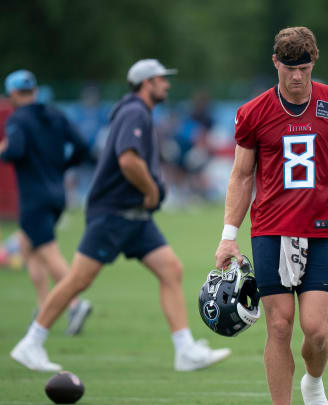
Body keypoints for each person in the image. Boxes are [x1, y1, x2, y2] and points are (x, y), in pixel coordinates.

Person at [10, 59, 230, 373]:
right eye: (161, 79)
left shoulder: (139, 112)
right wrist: (152, 189)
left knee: (171, 269)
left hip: (134, 216)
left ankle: (185, 351)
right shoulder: (134, 112)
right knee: (77, 281)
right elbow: (128, 160)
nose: (166, 84)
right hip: (113, 214)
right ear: (146, 83)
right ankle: (31, 342)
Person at [214, 27, 328, 405]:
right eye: (289, 68)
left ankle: (313, 381)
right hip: (270, 230)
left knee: (316, 332)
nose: (297, 76)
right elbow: (241, 175)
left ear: (313, 62)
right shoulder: (252, 113)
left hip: (320, 231)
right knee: (280, 325)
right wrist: (228, 235)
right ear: (276, 64)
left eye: (303, 67)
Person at [0, 70, 92, 334]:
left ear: (13, 95)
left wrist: (4, 151)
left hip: (33, 197)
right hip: (57, 193)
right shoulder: (56, 114)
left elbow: (15, 151)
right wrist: (62, 166)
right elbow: (83, 147)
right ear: (35, 91)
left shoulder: (17, 118)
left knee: (48, 252)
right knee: (29, 250)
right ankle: (43, 307)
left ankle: (75, 303)